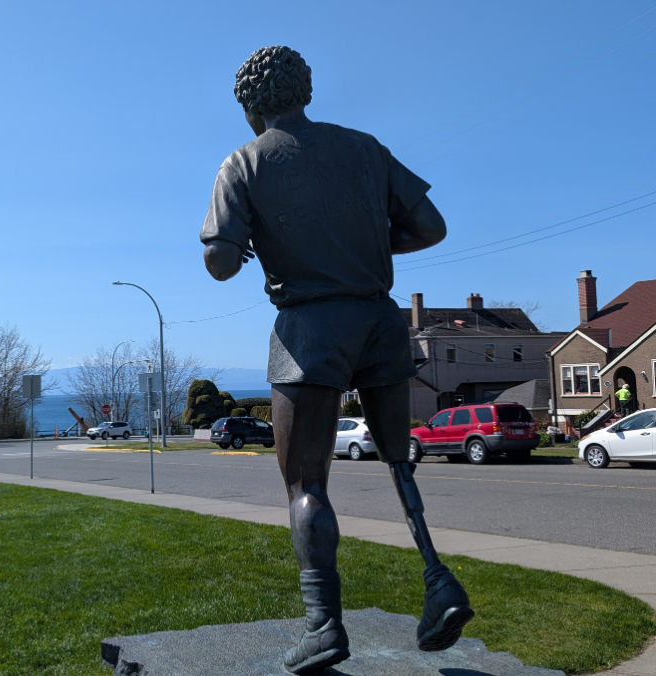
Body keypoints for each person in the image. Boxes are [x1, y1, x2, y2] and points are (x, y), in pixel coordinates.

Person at [200, 46, 473, 673]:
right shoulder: (364, 148)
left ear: (250, 105)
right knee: (399, 462)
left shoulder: (242, 162)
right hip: (379, 319)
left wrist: (254, 244)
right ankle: (438, 581)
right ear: (305, 92)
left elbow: (218, 262)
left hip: (309, 329)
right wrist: (367, 243)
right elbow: (431, 226)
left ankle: (323, 624)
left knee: (307, 484)